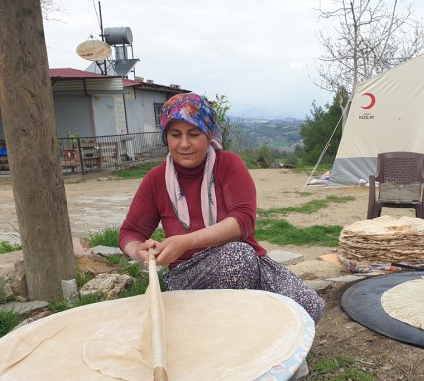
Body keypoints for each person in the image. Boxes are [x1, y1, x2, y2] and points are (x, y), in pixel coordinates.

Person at [119, 93, 325, 322]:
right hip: (188, 274)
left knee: (308, 307)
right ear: (165, 137)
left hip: (248, 261)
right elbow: (130, 232)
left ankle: (246, 326)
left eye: (194, 134)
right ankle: (228, 335)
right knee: (236, 259)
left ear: (209, 135)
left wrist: (186, 241)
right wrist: (138, 251)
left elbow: (243, 220)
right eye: (175, 135)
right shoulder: (156, 179)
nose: (184, 144)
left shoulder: (228, 165)